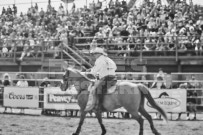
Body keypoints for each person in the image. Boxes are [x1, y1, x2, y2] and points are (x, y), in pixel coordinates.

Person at [85, 47, 117, 111]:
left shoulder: (99, 60)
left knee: (96, 89)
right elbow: (115, 67)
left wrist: (88, 72)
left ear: (99, 54)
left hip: (106, 78)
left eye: (95, 54)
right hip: (113, 77)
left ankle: (99, 105)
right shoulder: (108, 59)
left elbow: (94, 71)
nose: (94, 55)